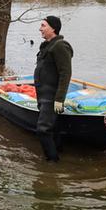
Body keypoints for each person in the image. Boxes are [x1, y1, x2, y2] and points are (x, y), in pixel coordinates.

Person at [33, 15, 73, 162]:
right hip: (43, 96)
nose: (40, 29)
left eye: (43, 26)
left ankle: (52, 163)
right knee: (54, 129)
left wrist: (59, 99)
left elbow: (65, 74)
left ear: (53, 28)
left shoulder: (60, 46)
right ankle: (58, 155)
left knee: (43, 130)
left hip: (51, 97)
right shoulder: (47, 46)